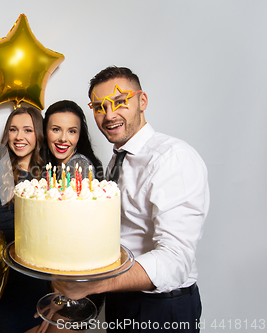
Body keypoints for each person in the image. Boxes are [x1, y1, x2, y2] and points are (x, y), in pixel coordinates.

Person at [53, 66, 209, 332]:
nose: (109, 115)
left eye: (120, 102)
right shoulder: (118, 158)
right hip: (121, 297)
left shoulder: (173, 158)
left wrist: (94, 283)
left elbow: (176, 261)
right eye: (99, 106)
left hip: (161, 308)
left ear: (142, 100)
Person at [0, 107, 49, 333]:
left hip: (37, 279)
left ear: (38, 134)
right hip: (1, 276)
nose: (19, 137)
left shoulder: (50, 173)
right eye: (13, 129)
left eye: (28, 130)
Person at [42, 100, 104, 182]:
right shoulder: (50, 164)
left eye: (72, 131)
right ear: (45, 132)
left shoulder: (79, 165)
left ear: (79, 135)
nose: (63, 139)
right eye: (56, 129)